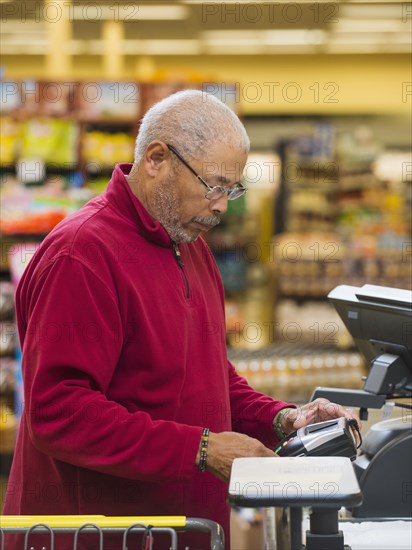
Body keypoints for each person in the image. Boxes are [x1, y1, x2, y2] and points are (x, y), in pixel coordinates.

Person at [3, 90, 359, 549]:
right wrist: (203, 449)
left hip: (181, 531)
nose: (222, 206)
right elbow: (59, 411)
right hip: (98, 534)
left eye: (232, 189)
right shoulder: (82, 255)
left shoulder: (190, 247)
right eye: (213, 186)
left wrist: (283, 418)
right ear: (156, 158)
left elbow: (208, 375)